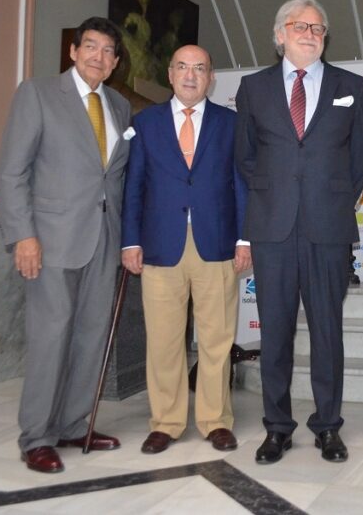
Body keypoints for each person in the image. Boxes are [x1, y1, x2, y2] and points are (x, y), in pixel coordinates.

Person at [234, 0, 363, 464]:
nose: (310, 33)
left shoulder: (351, 85)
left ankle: (328, 427)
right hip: (273, 228)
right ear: (279, 35)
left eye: (318, 27)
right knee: (274, 333)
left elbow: (361, 157)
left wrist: (332, 195)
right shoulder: (252, 88)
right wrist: (277, 195)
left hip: (327, 227)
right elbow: (246, 157)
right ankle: (277, 427)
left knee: (327, 332)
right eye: (299, 26)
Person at [0, 17, 131, 473]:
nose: (99, 56)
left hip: (104, 241)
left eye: (108, 51)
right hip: (50, 241)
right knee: (50, 337)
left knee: (91, 339)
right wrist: (23, 235)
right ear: (73, 52)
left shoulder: (118, 106)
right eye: (90, 46)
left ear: (114, 64)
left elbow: (113, 178)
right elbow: (13, 172)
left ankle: (75, 424)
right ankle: (36, 435)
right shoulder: (36, 94)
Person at [121, 44, 250, 455]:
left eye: (200, 68)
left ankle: (215, 420)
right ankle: (166, 422)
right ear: (170, 74)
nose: (191, 75)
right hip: (161, 245)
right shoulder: (146, 124)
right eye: (182, 67)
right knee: (163, 339)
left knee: (217, 339)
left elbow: (242, 185)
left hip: (218, 244)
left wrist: (245, 238)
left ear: (211, 77)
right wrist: (130, 240)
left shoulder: (231, 124)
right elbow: (133, 186)